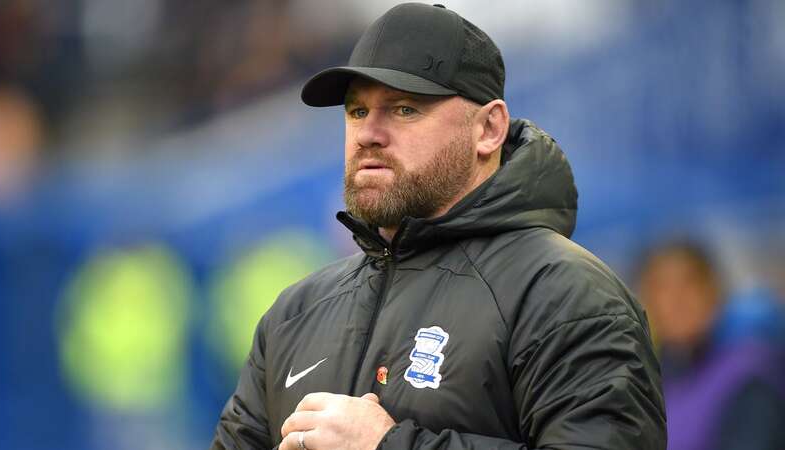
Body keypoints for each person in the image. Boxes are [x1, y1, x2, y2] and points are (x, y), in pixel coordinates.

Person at [211, 3, 666, 449]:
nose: (369, 133)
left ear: (488, 129)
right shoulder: (294, 313)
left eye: (405, 109)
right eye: (357, 111)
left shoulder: (567, 295)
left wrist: (388, 445)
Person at [637, 240, 785, 450]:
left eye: (689, 284)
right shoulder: (646, 384)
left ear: (713, 291)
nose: (676, 300)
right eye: (662, 289)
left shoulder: (751, 373)